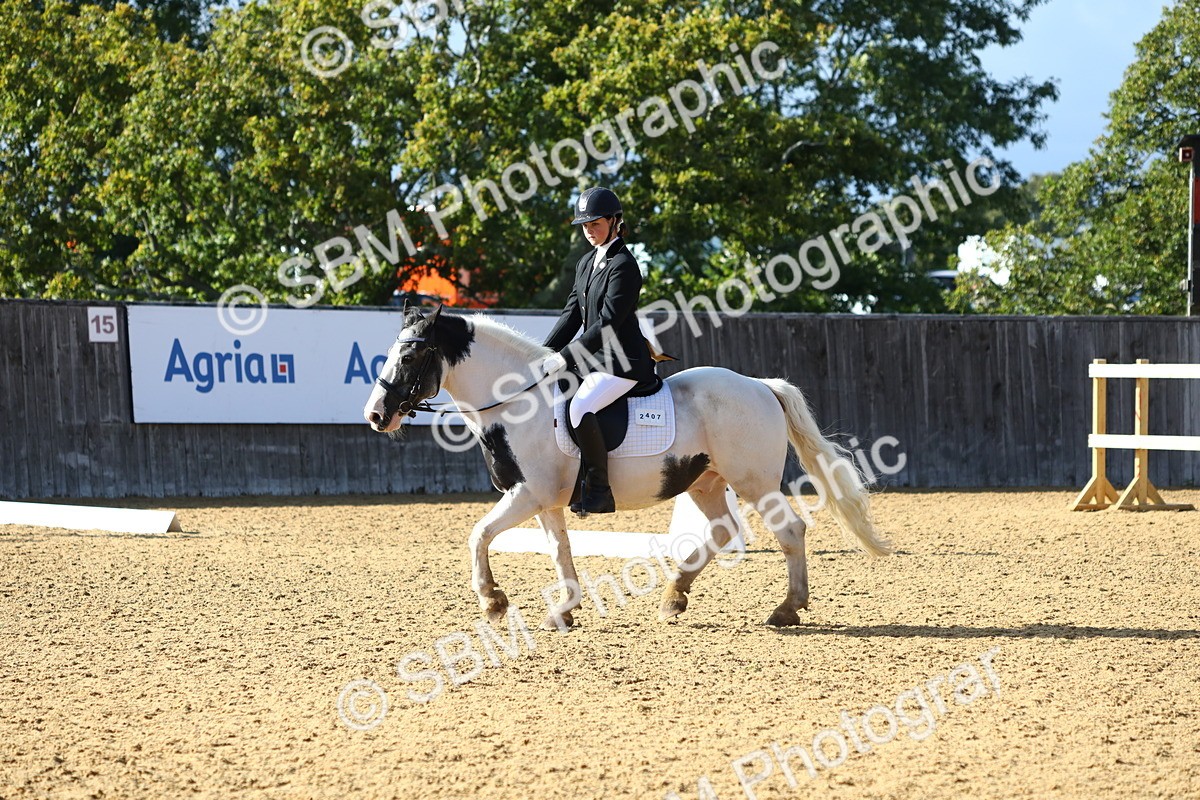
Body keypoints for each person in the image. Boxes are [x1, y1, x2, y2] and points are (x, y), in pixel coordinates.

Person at [541, 187, 656, 515]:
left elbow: (606, 324)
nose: (589, 230)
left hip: (624, 362)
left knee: (580, 407)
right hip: (595, 361)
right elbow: (571, 314)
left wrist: (565, 357)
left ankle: (599, 490)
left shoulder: (624, 265)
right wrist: (543, 352)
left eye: (595, 223)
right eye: (585, 225)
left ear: (615, 221)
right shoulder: (585, 263)